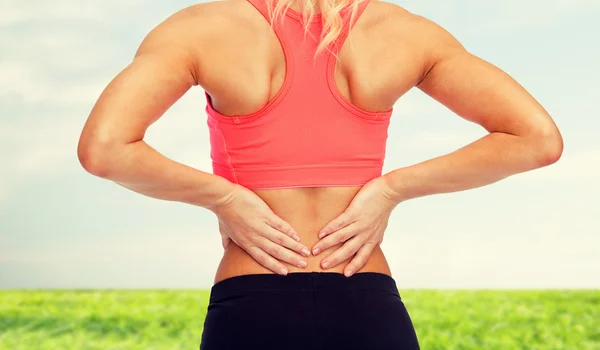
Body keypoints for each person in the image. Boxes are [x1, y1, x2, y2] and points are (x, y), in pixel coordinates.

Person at [77, 0, 563, 348]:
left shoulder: (203, 27)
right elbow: (536, 139)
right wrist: (389, 190)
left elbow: (104, 150)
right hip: (365, 298)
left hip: (252, 299)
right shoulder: (404, 31)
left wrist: (226, 198)